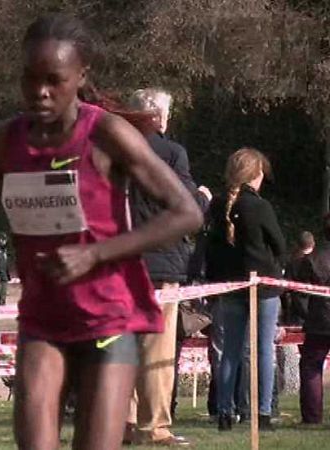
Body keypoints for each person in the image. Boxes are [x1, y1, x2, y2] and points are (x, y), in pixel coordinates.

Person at [0, 14, 202, 450]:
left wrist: (96, 253)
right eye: (30, 78)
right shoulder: (4, 141)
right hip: (43, 317)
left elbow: (186, 213)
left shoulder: (106, 135)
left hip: (107, 317)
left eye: (54, 80)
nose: (40, 91)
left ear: (81, 76)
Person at [125, 88, 212, 446]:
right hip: (161, 262)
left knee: (121, 345)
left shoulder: (108, 151)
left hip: (118, 259)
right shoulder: (172, 153)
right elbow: (186, 209)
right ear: (159, 118)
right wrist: (203, 197)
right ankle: (154, 427)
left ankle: (123, 422)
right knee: (156, 350)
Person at [204, 148, 285, 431]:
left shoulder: (217, 205)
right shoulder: (260, 206)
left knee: (230, 350)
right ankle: (263, 412)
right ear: (256, 174)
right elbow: (279, 244)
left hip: (231, 285)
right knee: (263, 349)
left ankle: (225, 412)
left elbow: (211, 247)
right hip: (263, 284)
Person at [294, 214, 330, 424]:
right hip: (318, 320)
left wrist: (307, 315)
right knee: (311, 368)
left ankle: (312, 417)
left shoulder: (311, 260)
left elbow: (300, 294)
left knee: (311, 368)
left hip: (319, 321)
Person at [281, 231, 313, 326]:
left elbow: (285, 287)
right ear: (313, 243)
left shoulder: (292, 263)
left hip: (297, 307)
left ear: (298, 245)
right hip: (317, 307)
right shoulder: (318, 260)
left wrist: (285, 310)